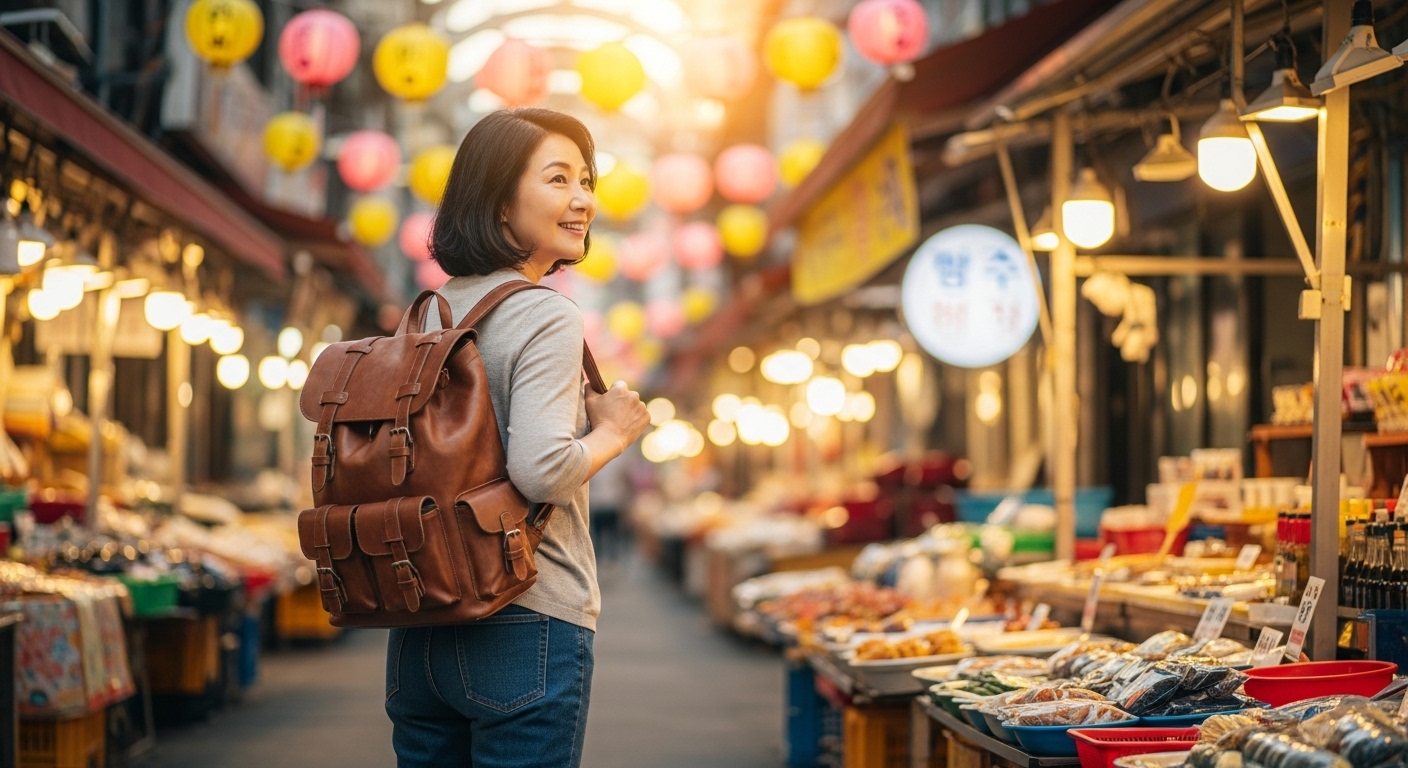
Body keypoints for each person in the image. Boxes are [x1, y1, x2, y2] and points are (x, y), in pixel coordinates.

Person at [384, 108, 651, 768]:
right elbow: (542, 471)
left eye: (587, 180)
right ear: (500, 203)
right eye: (558, 179)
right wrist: (614, 433)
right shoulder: (543, 313)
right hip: (525, 611)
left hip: (418, 620)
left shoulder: (430, 312)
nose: (583, 199)